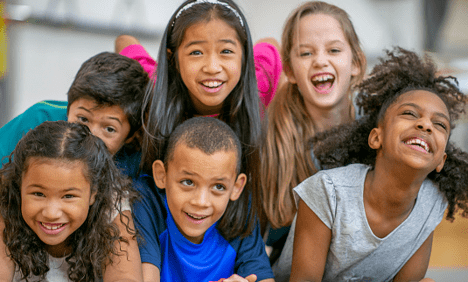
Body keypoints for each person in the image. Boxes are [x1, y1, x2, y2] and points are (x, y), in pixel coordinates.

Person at [274, 47, 468, 282]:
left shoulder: (431, 203)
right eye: (409, 113)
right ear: (377, 138)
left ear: (441, 160)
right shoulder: (328, 191)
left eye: (440, 125)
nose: (426, 125)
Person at [260, 1, 367, 261]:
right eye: (306, 53)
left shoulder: (378, 129)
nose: (320, 60)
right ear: (290, 71)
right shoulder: (273, 137)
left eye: (333, 50)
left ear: (355, 63)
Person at [133, 117, 274, 281]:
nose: (201, 202)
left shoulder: (240, 212)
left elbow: (263, 277)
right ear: (161, 175)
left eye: (218, 187)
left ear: (236, 188)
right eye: (188, 182)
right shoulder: (147, 202)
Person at [0, 121, 142, 281]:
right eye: (38, 194)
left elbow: (125, 277)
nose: (51, 213)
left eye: (68, 196)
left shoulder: (111, 204)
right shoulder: (5, 204)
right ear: (19, 186)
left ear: (93, 193)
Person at [0, 51, 149, 178]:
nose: (91, 135)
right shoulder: (39, 120)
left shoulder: (135, 161)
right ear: (69, 108)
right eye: (83, 119)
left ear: (130, 136)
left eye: (109, 129)